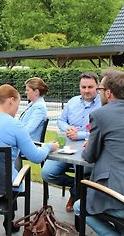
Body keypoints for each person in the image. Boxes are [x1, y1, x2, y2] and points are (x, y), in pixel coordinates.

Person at [0, 84, 58, 233]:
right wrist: (48, 146)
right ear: (11, 101)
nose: (16, 110)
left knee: (3, 168)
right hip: (1, 190)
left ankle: (9, 221)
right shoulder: (15, 125)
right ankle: (10, 221)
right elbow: (36, 157)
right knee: (16, 172)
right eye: (17, 105)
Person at [74, 69, 124, 235]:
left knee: (80, 207)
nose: (98, 93)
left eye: (99, 89)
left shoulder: (100, 115)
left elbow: (89, 156)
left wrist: (89, 146)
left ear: (108, 92)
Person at [41, 72, 101, 212]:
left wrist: (79, 134)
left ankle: (78, 199)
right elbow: (61, 121)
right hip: (66, 147)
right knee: (47, 173)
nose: (86, 90)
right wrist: (67, 128)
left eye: (90, 87)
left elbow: (101, 131)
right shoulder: (72, 101)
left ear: (97, 87)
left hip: (87, 148)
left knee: (83, 171)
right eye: (83, 87)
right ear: (79, 87)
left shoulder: (102, 105)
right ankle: (76, 189)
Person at [19, 77, 49, 141]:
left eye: (28, 90)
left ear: (36, 92)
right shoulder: (33, 104)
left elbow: (29, 128)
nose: (25, 92)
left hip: (30, 144)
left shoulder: (39, 107)